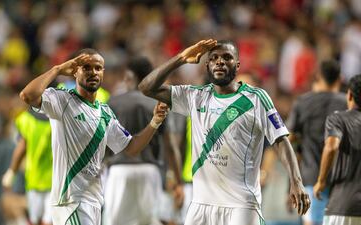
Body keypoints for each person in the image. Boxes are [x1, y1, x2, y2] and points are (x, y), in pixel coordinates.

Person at [138, 39, 310, 225]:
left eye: (227, 57)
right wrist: (181, 58)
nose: (220, 61)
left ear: (237, 65)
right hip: (201, 205)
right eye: (214, 58)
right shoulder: (195, 96)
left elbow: (281, 140)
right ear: (207, 65)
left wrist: (296, 181)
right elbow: (147, 87)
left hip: (241, 205)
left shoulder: (256, 98)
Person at [19, 48, 168, 225]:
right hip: (71, 202)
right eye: (87, 67)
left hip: (93, 201)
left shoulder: (105, 112)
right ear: (76, 71)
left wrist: (155, 121)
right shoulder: (62, 101)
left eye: (98, 68)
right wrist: (57, 69)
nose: (93, 72)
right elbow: (27, 95)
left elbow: (131, 148)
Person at [104, 56, 183, 225]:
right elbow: (171, 145)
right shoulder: (157, 102)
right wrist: (178, 182)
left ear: (128, 77)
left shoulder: (113, 102)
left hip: (119, 171)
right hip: (150, 170)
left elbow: (103, 144)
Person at [287, 60, 347, 225]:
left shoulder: (303, 102)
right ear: (339, 78)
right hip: (341, 179)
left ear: (318, 76)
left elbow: (288, 138)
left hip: (311, 177)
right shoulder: (346, 103)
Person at [313, 74, 361, 225]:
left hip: (344, 206)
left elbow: (332, 146)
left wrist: (321, 181)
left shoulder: (338, 119)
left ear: (350, 95)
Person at [2, 108, 53, 225]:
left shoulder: (26, 119)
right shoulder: (61, 116)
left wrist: (11, 172)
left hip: (34, 180)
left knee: (35, 220)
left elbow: (21, 148)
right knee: (49, 220)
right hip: (56, 180)